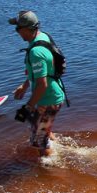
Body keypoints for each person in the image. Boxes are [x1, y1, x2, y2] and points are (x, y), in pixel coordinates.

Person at [10, 11, 65, 157]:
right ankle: (58, 148)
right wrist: (25, 85)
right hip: (52, 96)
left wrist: (28, 106)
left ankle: (51, 170)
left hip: (48, 100)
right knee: (43, 128)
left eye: (18, 29)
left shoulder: (36, 52)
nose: (16, 32)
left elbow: (42, 85)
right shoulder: (43, 37)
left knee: (38, 141)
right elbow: (41, 73)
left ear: (27, 29)